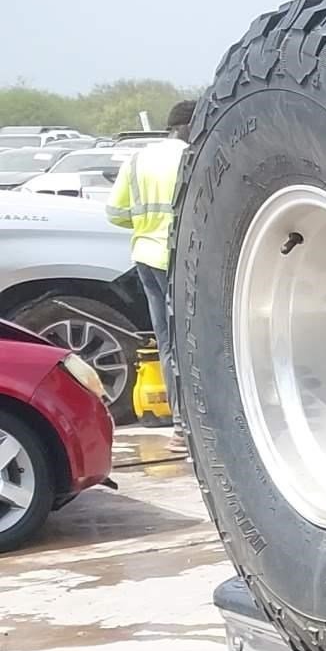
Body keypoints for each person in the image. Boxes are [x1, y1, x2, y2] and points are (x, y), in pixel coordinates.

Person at [107, 99, 193, 423]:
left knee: (167, 343)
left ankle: (179, 424)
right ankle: (193, 423)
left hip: (144, 255)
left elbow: (115, 214)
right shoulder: (189, 157)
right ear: (187, 126)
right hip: (177, 259)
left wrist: (144, 226)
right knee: (189, 342)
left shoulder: (138, 158)